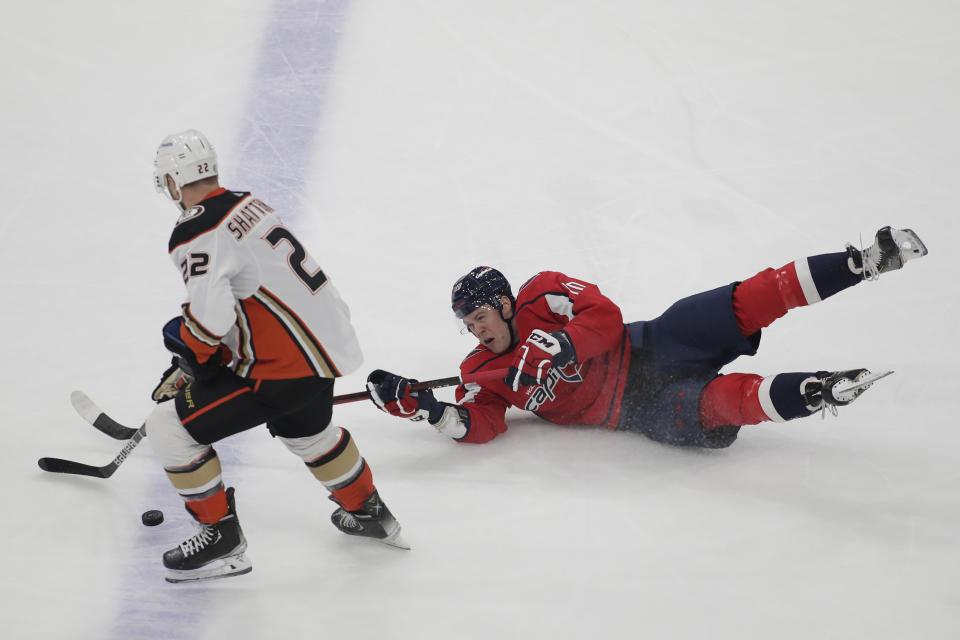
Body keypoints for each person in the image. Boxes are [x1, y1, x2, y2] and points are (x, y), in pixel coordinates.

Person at [365, 227, 928, 448]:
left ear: (507, 304)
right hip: (635, 409)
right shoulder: (478, 374)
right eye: (468, 325)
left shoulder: (543, 292)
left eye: (481, 317)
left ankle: (860, 263)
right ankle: (817, 392)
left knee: (739, 303)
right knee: (719, 404)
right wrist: (429, 409)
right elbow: (480, 423)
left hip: (651, 343)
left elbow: (605, 317)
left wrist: (564, 344)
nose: (476, 330)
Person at [145, 129, 406, 584]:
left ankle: (220, 541)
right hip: (322, 351)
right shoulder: (249, 203)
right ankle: (371, 514)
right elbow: (253, 297)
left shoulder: (195, 229)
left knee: (168, 427)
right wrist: (202, 355)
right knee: (307, 432)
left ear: (174, 180)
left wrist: (193, 353)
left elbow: (210, 318)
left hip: (281, 368)